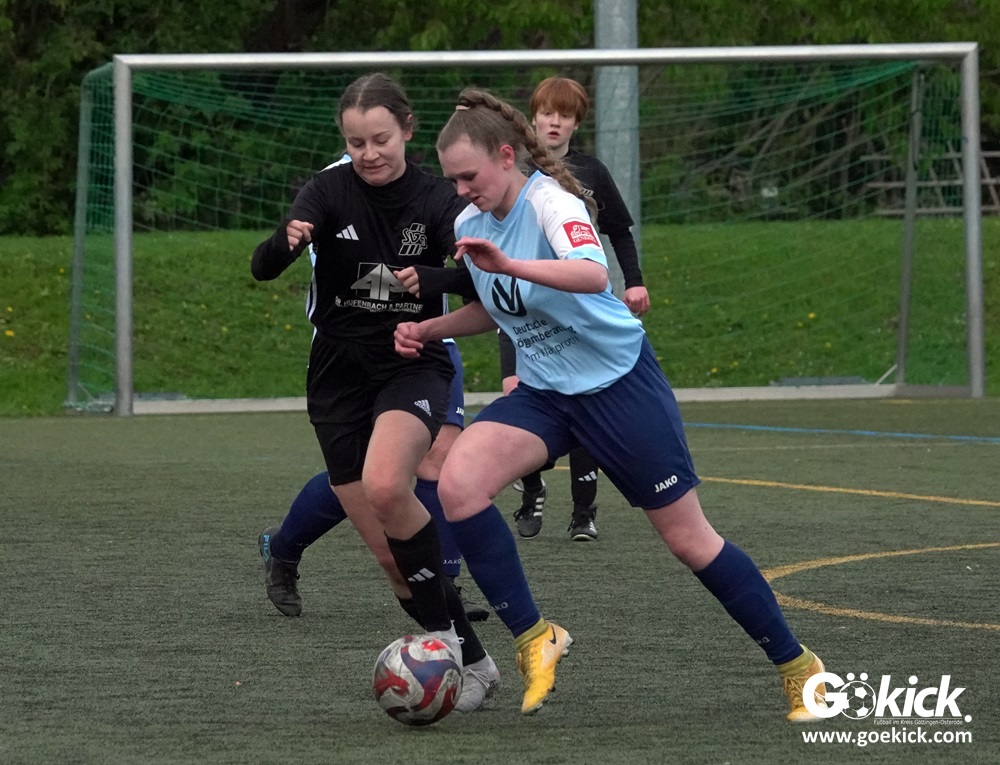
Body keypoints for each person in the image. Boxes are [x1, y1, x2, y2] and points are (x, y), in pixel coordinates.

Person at [393, 88, 827, 720]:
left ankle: (799, 667)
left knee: (689, 542)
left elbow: (593, 275)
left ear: (506, 156)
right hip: (546, 395)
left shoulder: (552, 201)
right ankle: (536, 637)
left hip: (619, 387)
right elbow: (499, 306)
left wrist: (510, 263)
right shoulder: (469, 224)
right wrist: (429, 329)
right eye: (453, 180)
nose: (460, 191)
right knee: (459, 486)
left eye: (469, 177)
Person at [251, 72, 499, 712]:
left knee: (390, 485)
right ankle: (473, 661)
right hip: (336, 375)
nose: (368, 153)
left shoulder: (439, 200)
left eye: (380, 139)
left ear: (408, 130)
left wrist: (431, 279)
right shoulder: (327, 189)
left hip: (410, 360)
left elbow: (481, 280)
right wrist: (285, 241)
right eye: (356, 142)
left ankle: (444, 648)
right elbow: (263, 265)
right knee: (392, 560)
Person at [508, 76, 651, 543]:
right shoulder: (513, 167)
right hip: (525, 303)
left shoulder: (591, 172)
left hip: (581, 306)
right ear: (533, 117)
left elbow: (619, 231)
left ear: (576, 123)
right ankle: (532, 490)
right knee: (517, 394)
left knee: (586, 398)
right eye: (547, 112)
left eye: (565, 115)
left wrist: (635, 282)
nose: (555, 122)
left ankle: (583, 512)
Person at [258, 339, 490, 622]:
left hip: (427, 343)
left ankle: (443, 585)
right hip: (352, 344)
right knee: (360, 474)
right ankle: (282, 549)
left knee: (439, 459)